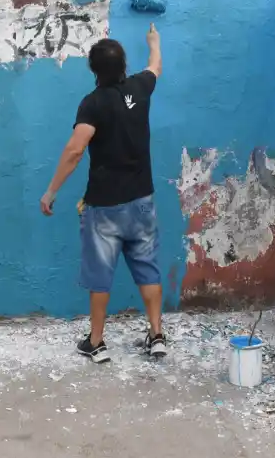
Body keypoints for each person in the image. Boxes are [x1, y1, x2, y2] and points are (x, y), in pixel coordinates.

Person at [40, 24, 165, 364]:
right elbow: (155, 66)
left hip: (105, 206)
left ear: (93, 69)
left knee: (100, 276)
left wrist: (51, 191)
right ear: (124, 65)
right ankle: (156, 335)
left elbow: (75, 150)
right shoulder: (140, 87)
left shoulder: (92, 104)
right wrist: (153, 41)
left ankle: (96, 342)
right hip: (142, 201)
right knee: (147, 268)